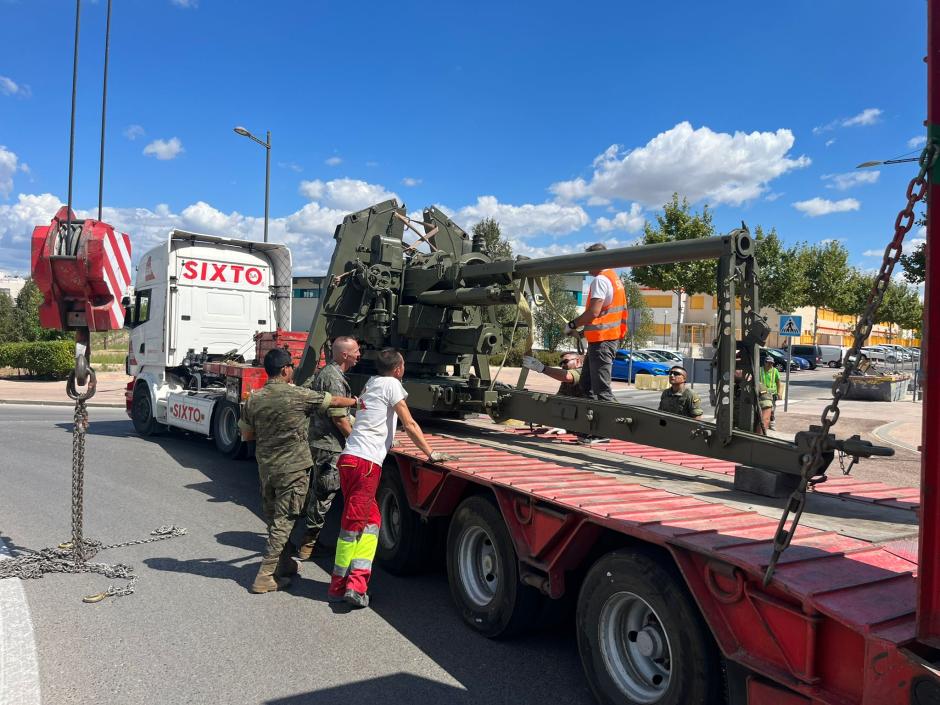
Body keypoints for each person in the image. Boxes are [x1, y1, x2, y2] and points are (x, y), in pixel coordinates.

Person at [329, 348, 448, 609]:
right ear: (398, 369)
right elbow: (409, 422)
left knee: (371, 521)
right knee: (354, 526)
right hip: (366, 464)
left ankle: (348, 581)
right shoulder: (393, 385)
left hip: (349, 459)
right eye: (403, 365)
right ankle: (349, 587)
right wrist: (430, 453)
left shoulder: (372, 383)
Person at [238, 348, 358, 594]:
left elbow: (247, 434)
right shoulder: (299, 396)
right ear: (285, 370)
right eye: (291, 366)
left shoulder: (254, 398)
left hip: (267, 468)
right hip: (293, 470)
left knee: (274, 518)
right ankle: (264, 575)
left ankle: (283, 564)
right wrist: (357, 401)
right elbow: (333, 401)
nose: (292, 368)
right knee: (285, 520)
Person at [296, 336, 361, 560]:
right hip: (329, 445)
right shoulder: (333, 378)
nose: (359, 355)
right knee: (325, 493)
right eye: (356, 351)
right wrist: (356, 441)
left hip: (323, 442)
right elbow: (339, 418)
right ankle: (308, 545)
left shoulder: (331, 373)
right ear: (344, 354)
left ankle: (308, 540)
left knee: (320, 490)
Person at [563, 244, 628, 408]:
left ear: (597, 259)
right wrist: (584, 332)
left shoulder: (600, 280)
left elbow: (593, 312)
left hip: (603, 342)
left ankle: (610, 427)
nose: (586, 265)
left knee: (601, 390)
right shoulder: (614, 279)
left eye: (588, 260)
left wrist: (571, 325)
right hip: (603, 339)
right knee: (587, 385)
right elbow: (603, 316)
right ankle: (593, 427)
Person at [521, 352, 586, 398]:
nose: (563, 365)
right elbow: (560, 397)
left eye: (565, 362)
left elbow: (567, 376)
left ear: (577, 361)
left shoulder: (584, 371)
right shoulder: (565, 382)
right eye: (561, 364)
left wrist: (541, 368)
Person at [759, 356, 783, 430]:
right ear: (765, 362)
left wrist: (779, 393)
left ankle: (772, 423)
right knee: (761, 409)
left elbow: (779, 383)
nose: (770, 365)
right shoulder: (760, 370)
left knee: (771, 409)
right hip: (762, 393)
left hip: (772, 394)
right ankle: (762, 423)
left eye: (771, 363)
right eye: (768, 363)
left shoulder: (775, 371)